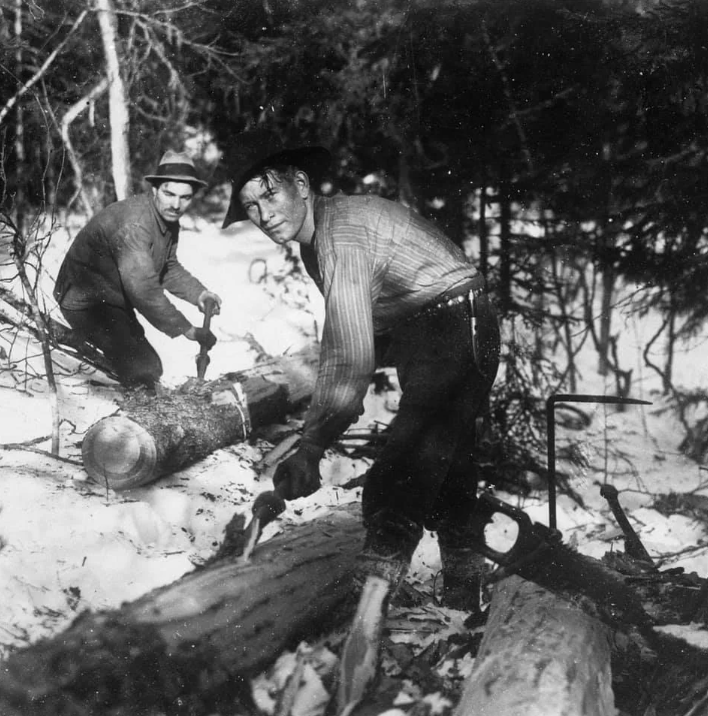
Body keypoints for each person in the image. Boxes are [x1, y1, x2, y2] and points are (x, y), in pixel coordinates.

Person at [223, 136, 500, 613]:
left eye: (270, 195)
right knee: (447, 467)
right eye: (251, 206)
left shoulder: (340, 236)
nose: (264, 214)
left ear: (302, 185)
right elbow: (359, 335)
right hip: (438, 327)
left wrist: (313, 446)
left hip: (453, 325)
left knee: (402, 472)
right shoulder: (321, 239)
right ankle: (463, 599)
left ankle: (368, 608)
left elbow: (349, 354)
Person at [54, 150, 222, 390]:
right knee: (144, 368)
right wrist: (187, 330)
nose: (176, 204)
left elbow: (167, 267)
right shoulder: (137, 224)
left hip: (112, 297)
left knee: (146, 364)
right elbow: (143, 288)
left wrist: (199, 294)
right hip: (85, 300)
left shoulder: (166, 220)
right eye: (169, 194)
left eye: (184, 197)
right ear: (154, 190)